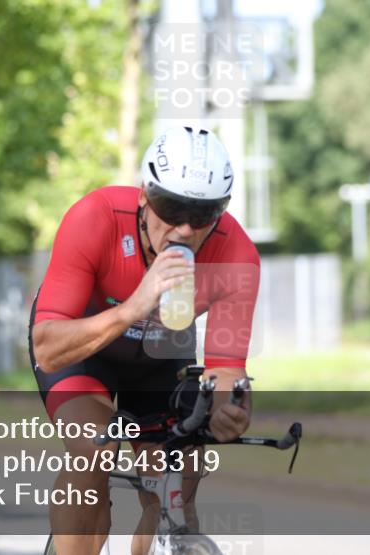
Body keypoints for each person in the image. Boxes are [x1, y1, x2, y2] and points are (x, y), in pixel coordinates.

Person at [29, 124, 261, 555]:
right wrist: (134, 307)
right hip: (83, 348)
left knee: (177, 480)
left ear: (221, 212)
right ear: (144, 195)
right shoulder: (94, 217)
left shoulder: (236, 253)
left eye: (204, 214)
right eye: (171, 208)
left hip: (160, 356)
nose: (185, 229)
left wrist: (230, 407)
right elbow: (48, 348)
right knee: (92, 449)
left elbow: (227, 367)